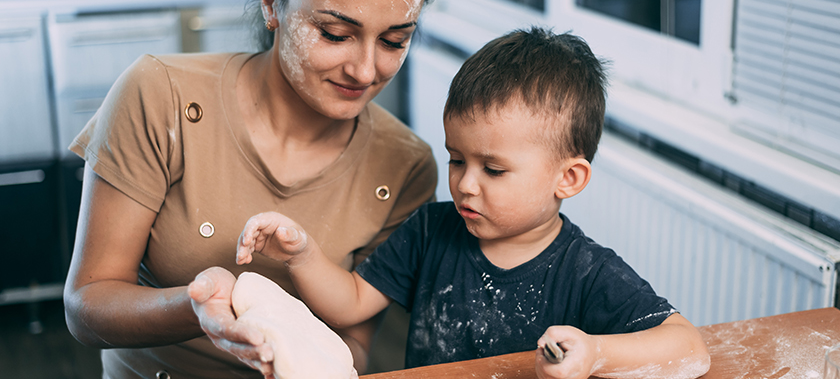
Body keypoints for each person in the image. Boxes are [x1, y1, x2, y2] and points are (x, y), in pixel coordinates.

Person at [235, 27, 712, 379]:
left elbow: (688, 346)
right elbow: (351, 303)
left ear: (568, 178)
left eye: (494, 170)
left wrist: (596, 353)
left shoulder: (586, 272)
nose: (465, 184)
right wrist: (303, 255)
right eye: (456, 160)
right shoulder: (430, 230)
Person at [62, 0, 442, 377]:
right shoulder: (159, 95)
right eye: (335, 34)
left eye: (393, 41)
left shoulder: (405, 166)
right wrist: (197, 306)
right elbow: (87, 307)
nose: (365, 71)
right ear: (270, 1)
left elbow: (353, 346)